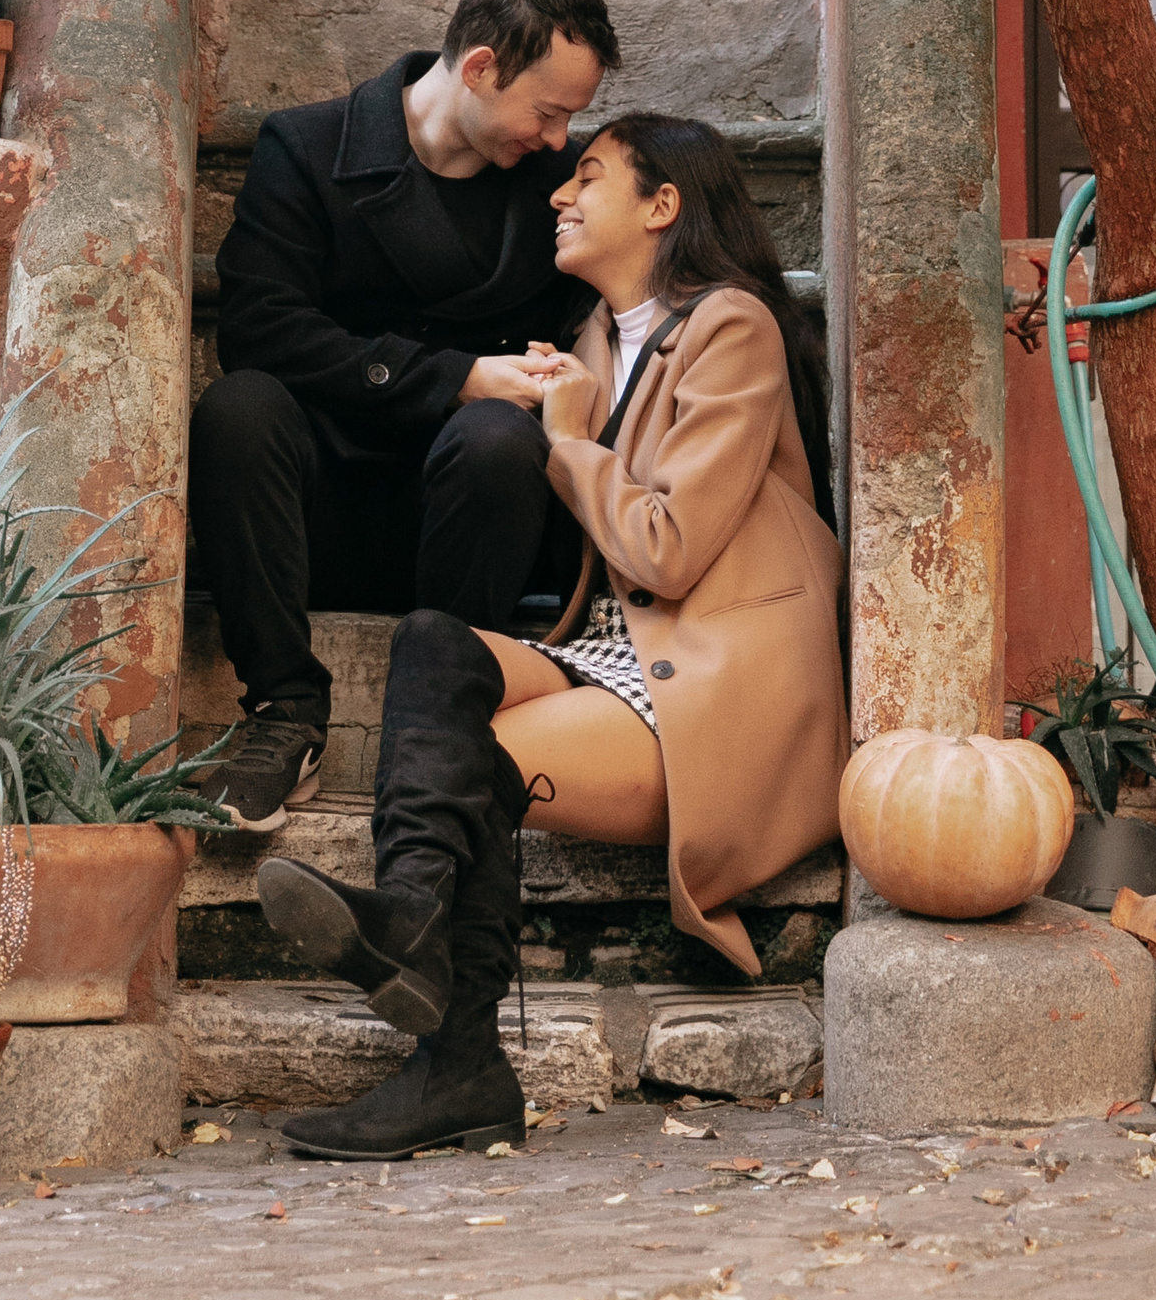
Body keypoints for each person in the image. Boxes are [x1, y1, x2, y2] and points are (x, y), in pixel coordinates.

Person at [254, 109, 846, 1159]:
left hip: (710, 689)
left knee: (468, 765)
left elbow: (665, 551)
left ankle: (456, 1063)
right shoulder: (592, 343)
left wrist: (566, 443)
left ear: (663, 206)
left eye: (591, 175)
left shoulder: (731, 327)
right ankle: (415, 945)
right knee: (436, 642)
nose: (559, 195)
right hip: (624, 655)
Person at [188, 0, 624, 831]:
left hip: (475, 522)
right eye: (548, 113)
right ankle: (285, 712)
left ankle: (434, 726)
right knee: (239, 408)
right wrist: (454, 377)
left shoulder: (556, 185)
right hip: (318, 511)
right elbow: (260, 328)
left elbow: (630, 290)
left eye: (569, 122)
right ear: (480, 68)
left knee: (501, 439)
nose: (555, 142)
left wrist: (569, 368)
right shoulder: (308, 150)